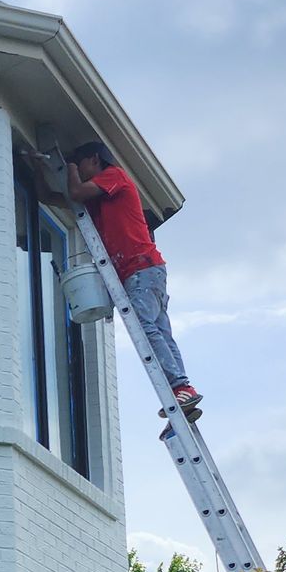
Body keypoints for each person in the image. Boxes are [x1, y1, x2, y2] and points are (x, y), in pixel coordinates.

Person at [63, 139, 202, 423]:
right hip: (148, 270)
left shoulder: (115, 177)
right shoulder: (102, 199)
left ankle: (179, 387)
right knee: (160, 330)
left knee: (147, 327)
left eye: (83, 163)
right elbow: (66, 198)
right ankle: (183, 388)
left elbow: (76, 191)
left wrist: (69, 167)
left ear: (95, 160)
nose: (82, 170)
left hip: (141, 269)